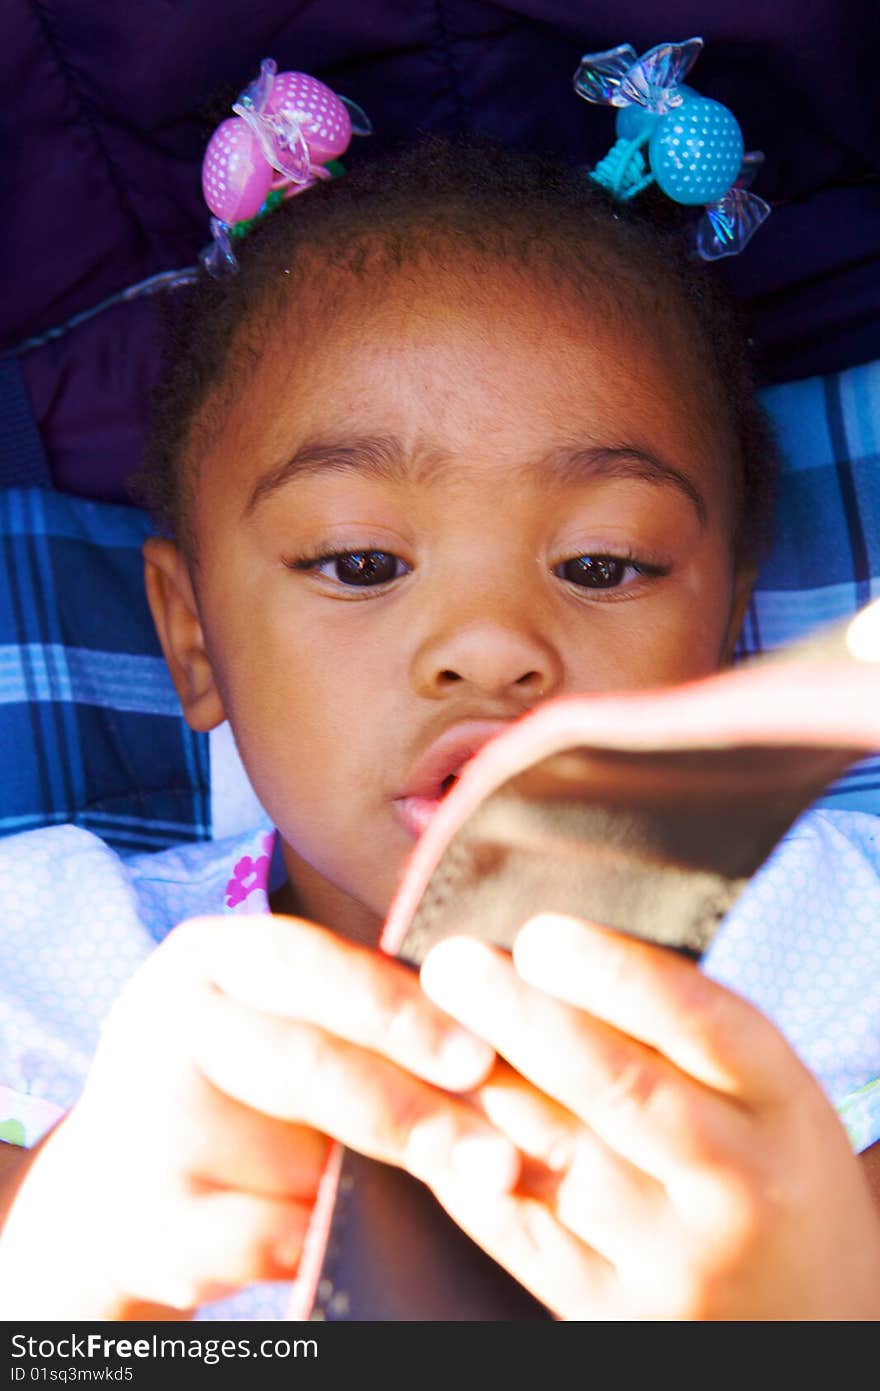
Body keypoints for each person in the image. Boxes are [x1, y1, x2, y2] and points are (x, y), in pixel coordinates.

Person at [0, 134, 879, 1322]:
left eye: (600, 562)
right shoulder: (56, 979)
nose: (491, 643)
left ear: (725, 628)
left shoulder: (839, 954)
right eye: (362, 561)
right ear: (194, 638)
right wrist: (64, 1271)